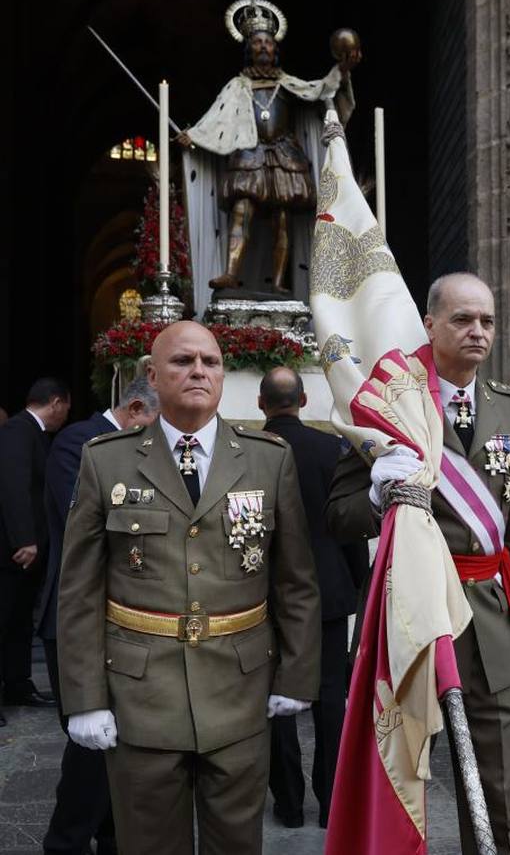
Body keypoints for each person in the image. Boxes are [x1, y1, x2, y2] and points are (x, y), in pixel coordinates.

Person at [57, 320, 321, 855]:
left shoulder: (268, 459)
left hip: (239, 692)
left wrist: (296, 676)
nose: (199, 370)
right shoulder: (105, 459)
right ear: (152, 376)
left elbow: (295, 581)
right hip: (140, 696)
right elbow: (79, 590)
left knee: (237, 845)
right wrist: (85, 699)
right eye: (182, 361)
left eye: (211, 361)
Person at [325, 272, 510, 854]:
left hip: (491, 622)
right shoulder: (386, 405)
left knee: (500, 793)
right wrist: (378, 493)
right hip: (410, 617)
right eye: (462, 319)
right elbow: (339, 516)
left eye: (488, 321)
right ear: (430, 324)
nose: (478, 332)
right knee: (396, 774)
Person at [39, 377, 159, 855]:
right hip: (77, 617)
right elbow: (93, 534)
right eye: (153, 424)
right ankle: (65, 843)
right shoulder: (81, 443)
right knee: (90, 748)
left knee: (115, 743)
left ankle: (111, 838)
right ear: (133, 409)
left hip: (121, 618)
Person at [178, 0, 358, 296]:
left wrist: (342, 68)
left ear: (276, 50)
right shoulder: (238, 86)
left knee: (282, 219)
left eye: (268, 42)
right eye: (257, 42)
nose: (263, 46)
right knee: (241, 211)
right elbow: (216, 120)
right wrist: (193, 135)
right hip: (250, 151)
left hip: (284, 154)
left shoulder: (288, 84)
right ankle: (230, 273)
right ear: (249, 49)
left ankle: (278, 281)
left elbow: (321, 90)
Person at [258, 366, 368, 829]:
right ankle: (330, 802)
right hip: (326, 588)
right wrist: (358, 583)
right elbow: (351, 526)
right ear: (303, 402)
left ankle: (287, 802)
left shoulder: (251, 452)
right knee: (329, 697)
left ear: (263, 404)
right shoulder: (331, 448)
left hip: (262, 590)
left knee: (273, 698)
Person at [0, 376, 71, 727]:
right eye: (65, 408)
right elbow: (12, 484)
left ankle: (17, 684)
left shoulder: (34, 433)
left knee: (18, 624)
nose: (65, 417)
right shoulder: (18, 429)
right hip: (13, 552)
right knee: (4, 620)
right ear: (56, 402)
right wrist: (24, 539)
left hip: (29, 554)